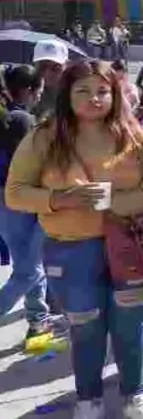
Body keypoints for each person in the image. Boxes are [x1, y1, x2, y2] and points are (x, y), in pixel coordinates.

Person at [5, 59, 143, 419]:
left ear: (114, 94)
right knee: (85, 328)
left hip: (130, 246)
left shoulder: (130, 132)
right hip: (71, 250)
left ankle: (135, 396)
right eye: (82, 90)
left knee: (131, 325)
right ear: (65, 93)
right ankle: (88, 400)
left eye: (102, 91)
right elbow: (15, 193)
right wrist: (58, 199)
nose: (94, 98)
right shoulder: (44, 136)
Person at [0, 65, 55, 341]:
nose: (40, 96)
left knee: (30, 263)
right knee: (28, 270)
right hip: (23, 200)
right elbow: (31, 166)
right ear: (28, 91)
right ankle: (38, 318)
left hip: (8, 204)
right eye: (39, 91)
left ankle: (38, 320)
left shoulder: (10, 115)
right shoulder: (20, 120)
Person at [32, 38, 69, 119]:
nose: (47, 73)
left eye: (55, 68)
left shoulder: (75, 92)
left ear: (66, 65)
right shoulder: (27, 92)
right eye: (42, 67)